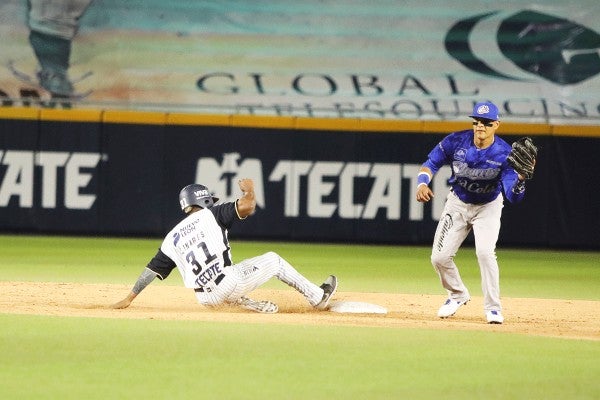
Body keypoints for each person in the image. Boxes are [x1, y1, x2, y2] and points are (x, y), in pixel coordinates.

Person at [111, 178, 337, 314]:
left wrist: (129, 298)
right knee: (274, 260)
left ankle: (243, 303)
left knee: (230, 275)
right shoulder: (213, 214)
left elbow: (151, 270)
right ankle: (318, 297)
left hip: (205, 299)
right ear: (204, 200)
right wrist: (249, 190)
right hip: (228, 283)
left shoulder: (173, 237)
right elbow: (247, 206)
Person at [416, 101, 531, 324]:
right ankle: (457, 294)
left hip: (488, 206)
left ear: (496, 125)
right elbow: (431, 162)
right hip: (457, 203)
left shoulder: (504, 154)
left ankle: (493, 308)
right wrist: (422, 183)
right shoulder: (456, 141)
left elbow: (513, 196)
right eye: (476, 121)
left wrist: (521, 181)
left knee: (485, 253)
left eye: (486, 123)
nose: (480, 126)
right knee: (439, 258)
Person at [27, 0, 94, 98]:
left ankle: (54, 84)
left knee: (56, 69)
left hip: (42, 32)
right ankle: (58, 88)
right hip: (58, 36)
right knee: (57, 70)